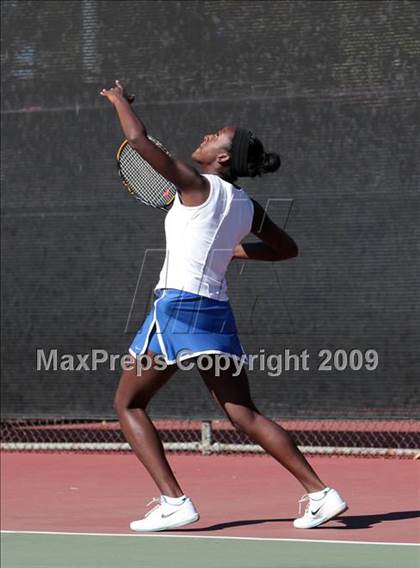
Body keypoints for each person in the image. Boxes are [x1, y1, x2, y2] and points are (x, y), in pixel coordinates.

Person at [100, 80, 348, 531]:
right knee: (244, 414)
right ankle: (321, 493)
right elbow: (286, 249)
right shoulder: (245, 205)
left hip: (177, 307)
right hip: (215, 312)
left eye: (216, 135)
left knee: (128, 404)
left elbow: (137, 142)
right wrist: (236, 251)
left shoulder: (196, 183)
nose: (206, 136)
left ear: (224, 158)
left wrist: (118, 100)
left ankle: (174, 501)